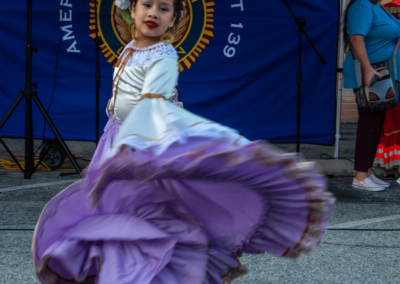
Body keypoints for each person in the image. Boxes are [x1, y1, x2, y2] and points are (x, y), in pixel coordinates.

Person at [31, 0, 333, 283]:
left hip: (140, 144)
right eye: (146, 5)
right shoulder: (129, 49)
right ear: (130, 11)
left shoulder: (163, 55)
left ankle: (141, 275)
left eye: (164, 9)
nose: (153, 13)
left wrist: (132, 147)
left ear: (174, 19)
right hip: (115, 136)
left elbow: (152, 102)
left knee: (136, 223)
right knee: (109, 217)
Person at [343, 0, 400, 191]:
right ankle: (360, 176)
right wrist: (367, 69)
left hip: (382, 73)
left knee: (375, 125)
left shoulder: (376, 6)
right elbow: (356, 39)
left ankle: (366, 172)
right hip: (371, 74)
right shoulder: (362, 5)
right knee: (369, 125)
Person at [374, 1, 400, 172]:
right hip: (391, 76)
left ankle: (391, 161)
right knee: (389, 116)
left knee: (390, 118)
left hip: (389, 75)